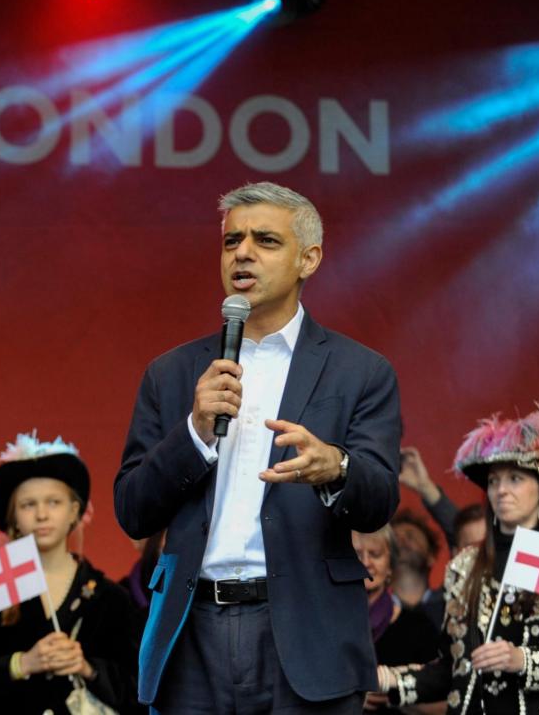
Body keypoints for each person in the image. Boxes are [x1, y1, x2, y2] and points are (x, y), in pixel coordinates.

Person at [113, 181, 403, 713]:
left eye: (265, 241)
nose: (242, 253)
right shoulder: (172, 373)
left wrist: (335, 467)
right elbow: (132, 510)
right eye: (231, 241)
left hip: (305, 631)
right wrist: (195, 433)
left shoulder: (360, 371)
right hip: (190, 633)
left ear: (308, 259)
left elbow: (381, 497)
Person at [376, 404, 539, 713]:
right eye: (494, 481)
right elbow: (455, 669)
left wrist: (521, 659)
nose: (501, 490)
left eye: (515, 478)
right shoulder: (465, 564)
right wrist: (390, 678)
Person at [0, 433, 141, 713]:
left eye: (54, 502)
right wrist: (21, 663)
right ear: (13, 517)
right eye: (28, 505)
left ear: (75, 511)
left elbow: (137, 689)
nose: (42, 515)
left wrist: (87, 668)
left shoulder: (110, 598)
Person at [351, 526, 439, 714]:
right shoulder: (325, 626)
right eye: (356, 554)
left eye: (375, 554)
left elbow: (444, 700)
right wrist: (350, 698)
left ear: (390, 566)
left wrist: (395, 692)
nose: (365, 562)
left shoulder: (418, 627)